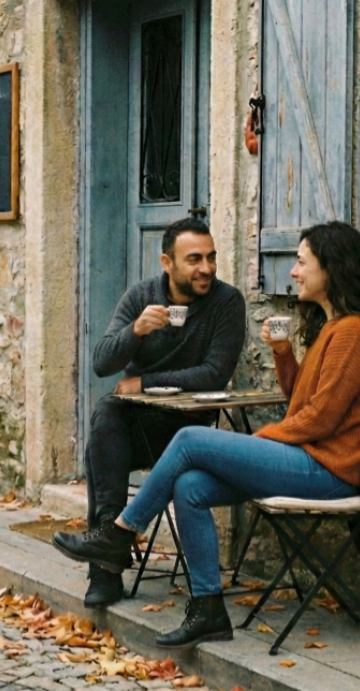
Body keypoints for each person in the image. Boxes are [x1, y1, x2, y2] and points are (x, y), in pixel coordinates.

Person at [54, 221, 360, 649]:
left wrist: (257, 444)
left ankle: (120, 534)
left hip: (329, 470)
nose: (293, 272)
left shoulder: (353, 331)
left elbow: (319, 423)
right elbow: (302, 402)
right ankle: (209, 610)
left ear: (332, 270)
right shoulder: (333, 328)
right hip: (308, 458)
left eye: (301, 262)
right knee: (190, 484)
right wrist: (284, 355)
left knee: (189, 442)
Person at [79, 213, 247, 607]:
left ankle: (106, 558)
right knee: (107, 416)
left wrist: (146, 382)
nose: (206, 268)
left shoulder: (226, 302)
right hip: (140, 429)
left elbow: (214, 373)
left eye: (211, 257)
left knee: (102, 445)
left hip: (188, 431)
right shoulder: (141, 297)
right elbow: (102, 363)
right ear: (167, 263)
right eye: (194, 260)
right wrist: (135, 331)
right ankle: (108, 543)